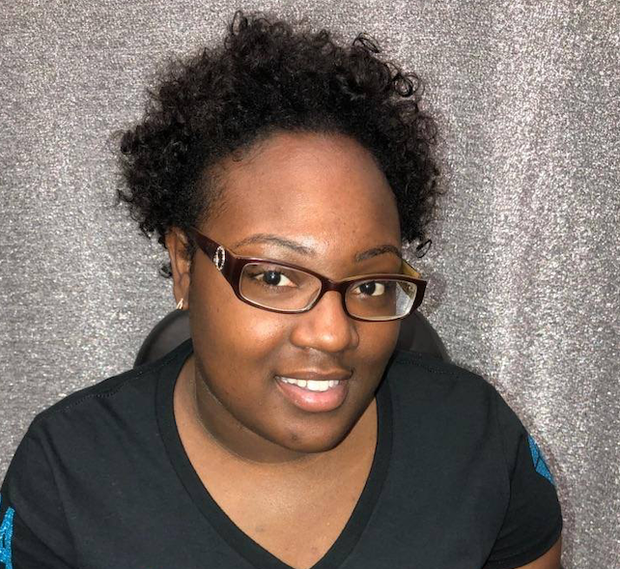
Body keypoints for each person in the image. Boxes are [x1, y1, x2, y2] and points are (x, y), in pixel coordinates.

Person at [0, 11, 562, 569]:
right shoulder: (65, 476)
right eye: (274, 277)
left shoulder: (477, 441)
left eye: (369, 284)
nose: (334, 334)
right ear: (185, 265)